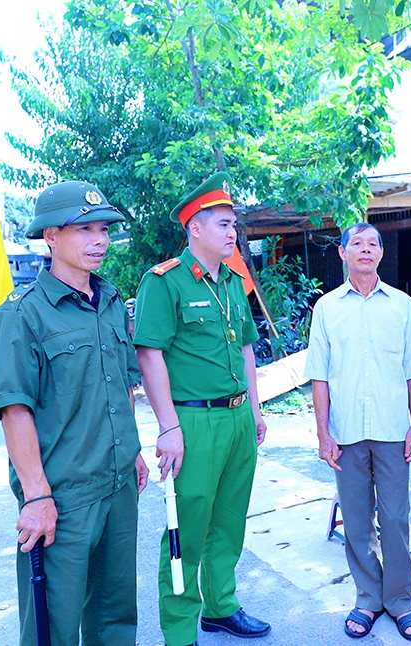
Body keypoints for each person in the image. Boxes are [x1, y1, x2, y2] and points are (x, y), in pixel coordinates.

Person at [0, 181, 148, 646]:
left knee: (115, 615)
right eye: (85, 230)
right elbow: (14, 410)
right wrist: (36, 496)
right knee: (52, 625)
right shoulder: (22, 314)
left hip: (118, 484)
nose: (100, 240)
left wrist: (132, 450)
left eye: (104, 230)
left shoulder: (110, 302)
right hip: (63, 495)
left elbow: (121, 384)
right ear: (51, 236)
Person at [132, 172, 270, 646]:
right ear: (195, 228)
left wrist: (255, 409)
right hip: (192, 421)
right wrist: (168, 426)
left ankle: (221, 607)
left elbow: (247, 349)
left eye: (234, 225)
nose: (233, 233)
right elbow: (149, 355)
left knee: (229, 521)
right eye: (224, 224)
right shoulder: (164, 281)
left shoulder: (233, 281)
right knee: (187, 528)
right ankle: (179, 631)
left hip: (237, 418)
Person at [304, 222, 411, 641]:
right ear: (343, 253)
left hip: (393, 429)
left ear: (380, 253)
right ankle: (368, 598)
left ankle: (401, 601)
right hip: (345, 432)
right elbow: (319, 375)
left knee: (394, 518)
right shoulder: (327, 308)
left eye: (372, 243)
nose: (365, 249)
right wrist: (323, 433)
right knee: (357, 521)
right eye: (356, 243)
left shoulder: (402, 305)